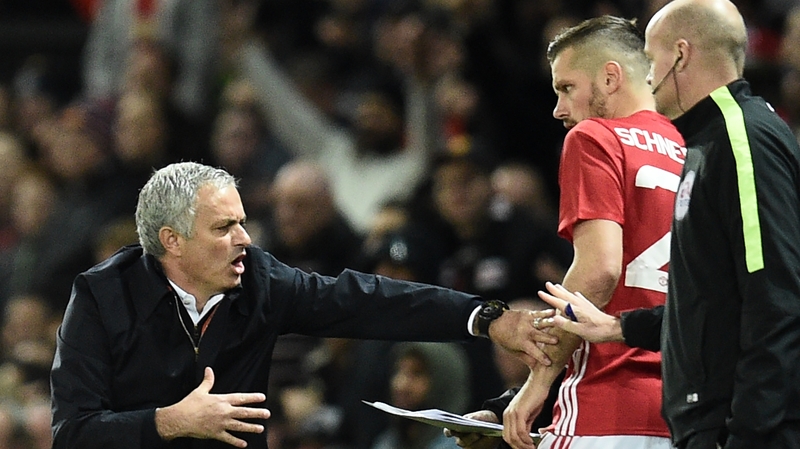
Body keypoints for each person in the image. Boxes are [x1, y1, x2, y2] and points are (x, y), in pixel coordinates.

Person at [50, 161, 556, 449]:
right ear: (172, 241)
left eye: (242, 221)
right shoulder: (101, 297)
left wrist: (484, 318)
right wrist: (171, 421)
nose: (245, 238)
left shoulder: (259, 282)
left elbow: (367, 302)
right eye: (224, 228)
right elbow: (73, 434)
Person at [536, 1, 800, 448]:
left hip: (730, 425)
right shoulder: (699, 145)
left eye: (652, 61)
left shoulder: (741, 137)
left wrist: (751, 434)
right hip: (692, 419)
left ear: (680, 54)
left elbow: (774, 298)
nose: (648, 77)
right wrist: (620, 328)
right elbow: (717, 302)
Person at [448, 15, 687, 449]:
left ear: (611, 77)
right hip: (684, 407)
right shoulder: (690, 147)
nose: (558, 109)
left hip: (607, 401)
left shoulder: (594, 137)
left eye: (566, 88)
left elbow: (598, 273)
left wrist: (536, 384)